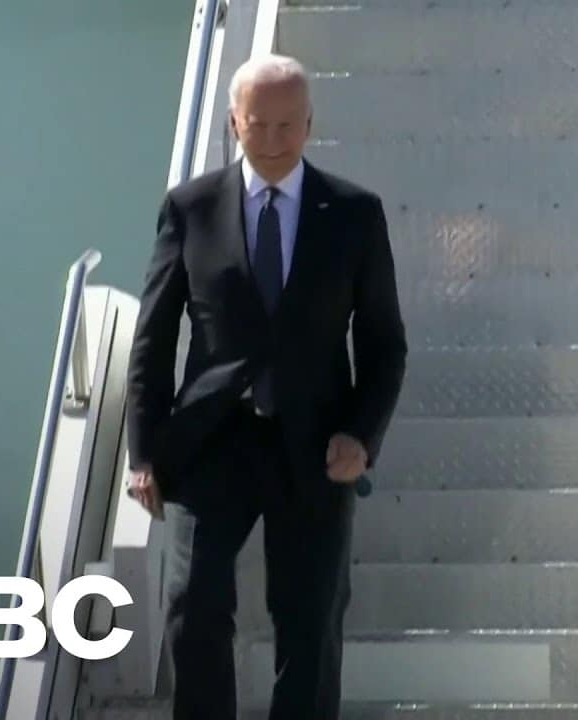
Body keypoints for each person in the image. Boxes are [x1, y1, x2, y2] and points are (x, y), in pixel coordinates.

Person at [123, 53, 407, 719]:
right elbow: (152, 339)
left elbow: (384, 345)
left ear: (309, 123)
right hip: (210, 442)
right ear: (233, 123)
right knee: (193, 604)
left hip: (315, 444)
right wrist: (144, 453)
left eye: (288, 125)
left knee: (310, 618)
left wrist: (361, 436)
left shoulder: (355, 214)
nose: (274, 141)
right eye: (259, 125)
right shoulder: (191, 208)